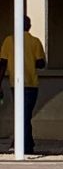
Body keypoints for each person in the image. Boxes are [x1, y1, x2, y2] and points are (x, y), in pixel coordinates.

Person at [0, 16, 46, 154]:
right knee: (25, 114)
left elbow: (2, 63)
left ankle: (24, 143)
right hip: (31, 84)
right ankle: (26, 143)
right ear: (29, 26)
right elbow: (41, 64)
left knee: (23, 114)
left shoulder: (9, 41)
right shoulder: (35, 42)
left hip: (15, 83)